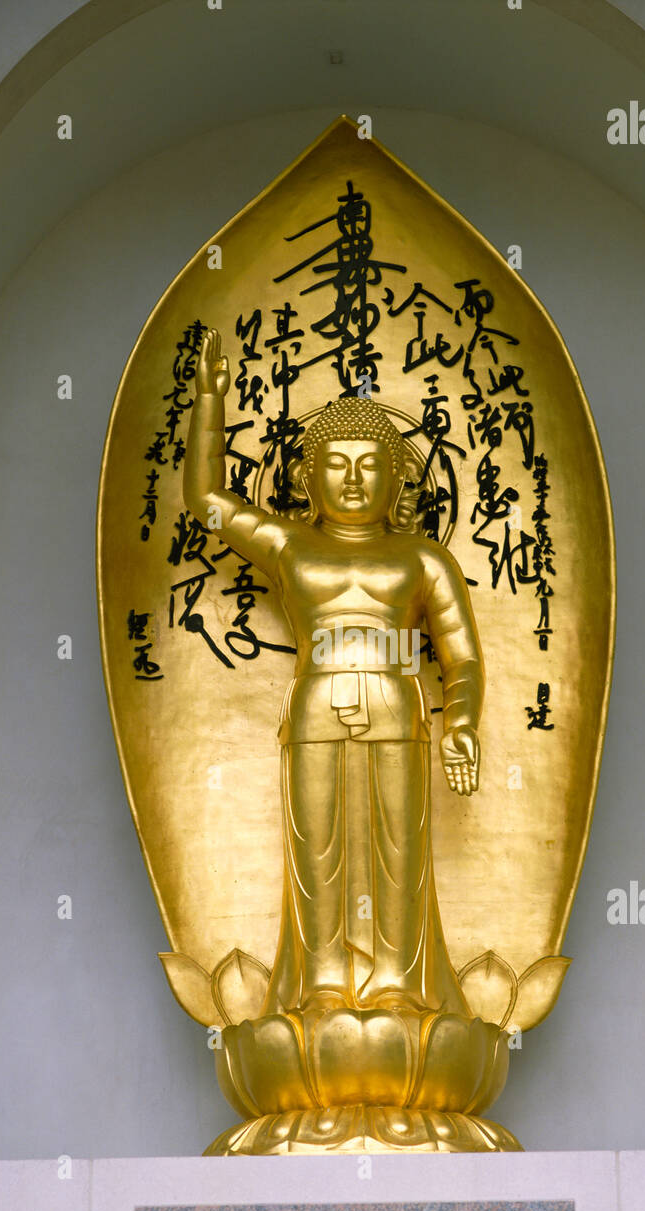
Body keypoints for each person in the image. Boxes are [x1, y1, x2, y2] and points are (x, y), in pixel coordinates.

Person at [185, 329, 484, 1015]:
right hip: (317, 708)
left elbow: (461, 657)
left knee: (395, 855)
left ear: (397, 477)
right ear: (308, 478)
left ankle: (397, 987)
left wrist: (460, 722)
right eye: (337, 464)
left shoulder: (421, 559)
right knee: (316, 854)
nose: (352, 479)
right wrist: (209, 402)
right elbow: (206, 500)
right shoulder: (291, 543)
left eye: (369, 464)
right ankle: (320, 984)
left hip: (397, 706)